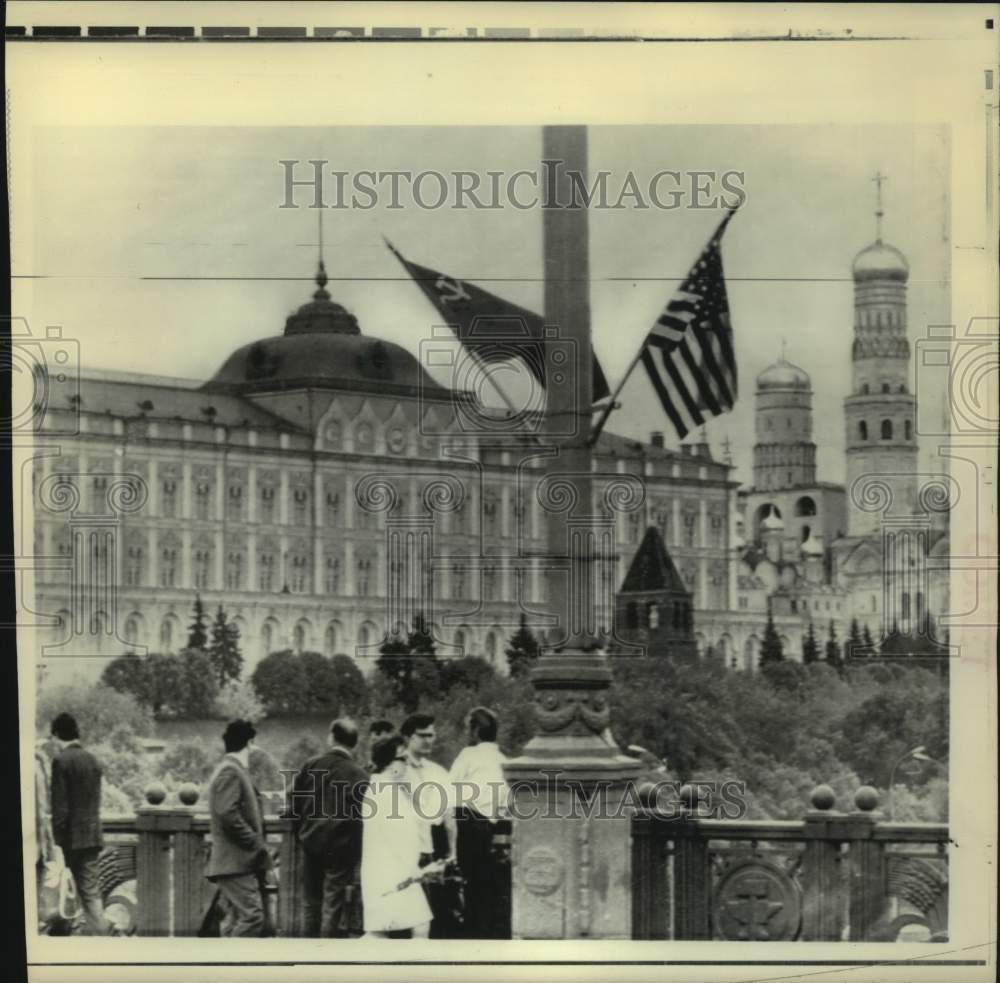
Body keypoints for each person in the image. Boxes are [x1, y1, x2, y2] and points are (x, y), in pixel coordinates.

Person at [287, 718, 369, 937]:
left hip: (311, 842)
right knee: (333, 905)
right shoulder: (359, 774)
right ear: (355, 744)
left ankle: (307, 954)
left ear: (331, 737)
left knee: (310, 904)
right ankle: (324, 955)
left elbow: (293, 803)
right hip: (341, 848)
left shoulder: (311, 765)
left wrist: (301, 833)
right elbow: (362, 816)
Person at [359, 735, 443, 938]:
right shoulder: (387, 793)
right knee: (415, 927)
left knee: (383, 931)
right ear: (391, 765)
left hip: (388, 874)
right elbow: (401, 839)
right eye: (403, 759)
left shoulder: (382, 789)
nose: (407, 765)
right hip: (394, 875)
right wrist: (420, 871)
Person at [205, 719, 273, 937]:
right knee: (252, 917)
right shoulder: (231, 771)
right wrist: (254, 841)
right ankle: (228, 965)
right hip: (235, 862)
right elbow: (227, 813)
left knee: (235, 921)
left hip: (234, 862)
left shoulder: (229, 769)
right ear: (250, 743)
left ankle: (225, 966)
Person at [448, 707, 509, 938]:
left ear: (475, 731)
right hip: (491, 826)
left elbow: (448, 786)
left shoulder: (468, 755)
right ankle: (484, 933)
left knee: (470, 885)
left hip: (468, 823)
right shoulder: (504, 761)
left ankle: (470, 934)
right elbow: (507, 801)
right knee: (485, 886)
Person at [49, 712, 111, 936]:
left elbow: (60, 809)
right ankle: (100, 935)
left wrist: (56, 843)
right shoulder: (92, 759)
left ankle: (78, 942)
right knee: (90, 892)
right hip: (93, 837)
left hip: (70, 841)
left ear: (56, 735)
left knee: (62, 893)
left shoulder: (61, 761)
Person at [400, 713, 458, 938]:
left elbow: (449, 817)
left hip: (429, 851)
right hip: (402, 850)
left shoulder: (438, 772)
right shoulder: (396, 770)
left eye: (431, 735)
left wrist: (453, 852)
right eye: (422, 735)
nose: (428, 740)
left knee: (430, 916)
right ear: (408, 737)